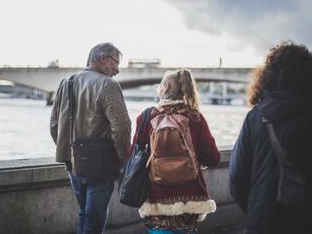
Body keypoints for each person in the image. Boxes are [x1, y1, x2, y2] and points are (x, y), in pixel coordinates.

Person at [229, 41, 312, 234]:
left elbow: (236, 177)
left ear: (268, 76)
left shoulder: (255, 117)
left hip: (261, 223)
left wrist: (256, 210)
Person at [50, 42, 131, 234]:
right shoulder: (108, 84)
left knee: (84, 215)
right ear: (103, 59)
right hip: (100, 165)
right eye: (116, 63)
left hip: (73, 164)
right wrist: (123, 159)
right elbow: (121, 127)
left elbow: (54, 124)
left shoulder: (66, 83)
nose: (117, 70)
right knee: (95, 221)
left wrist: (70, 151)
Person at [131, 69, 220, 234]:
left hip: (156, 194)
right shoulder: (195, 117)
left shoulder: (146, 116)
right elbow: (213, 157)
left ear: (165, 87)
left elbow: (134, 154)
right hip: (191, 194)